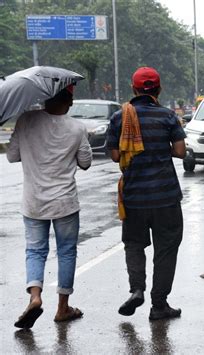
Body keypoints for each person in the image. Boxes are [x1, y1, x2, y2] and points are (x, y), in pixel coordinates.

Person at [7, 86, 92, 329]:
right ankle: (63, 308)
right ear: (70, 101)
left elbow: (12, 156)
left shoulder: (26, 120)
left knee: (35, 251)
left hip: (33, 201)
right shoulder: (76, 127)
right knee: (66, 252)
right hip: (65, 202)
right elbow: (85, 162)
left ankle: (35, 297)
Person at [107, 67, 186, 320]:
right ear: (158, 89)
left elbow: (116, 155)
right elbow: (181, 151)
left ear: (134, 89)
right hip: (165, 198)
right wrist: (161, 148)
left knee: (134, 245)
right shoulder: (168, 116)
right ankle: (159, 304)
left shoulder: (120, 118)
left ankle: (137, 289)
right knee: (166, 249)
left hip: (133, 197)